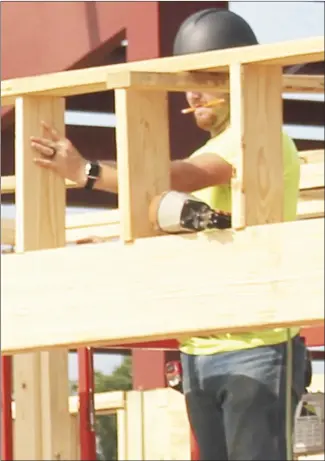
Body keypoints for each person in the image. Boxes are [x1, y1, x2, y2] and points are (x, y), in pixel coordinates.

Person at [30, 8, 307, 460]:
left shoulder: (260, 142)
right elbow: (191, 226)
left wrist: (85, 171)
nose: (193, 93)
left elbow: (181, 176)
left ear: (236, 78)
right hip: (202, 347)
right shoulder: (217, 143)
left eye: (205, 79)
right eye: (189, 81)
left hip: (259, 346)